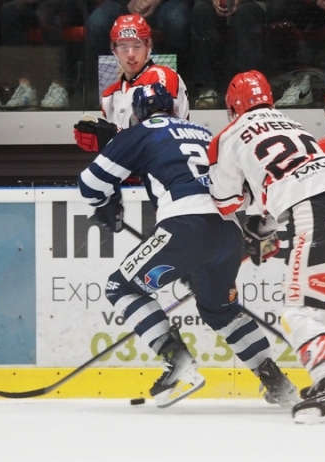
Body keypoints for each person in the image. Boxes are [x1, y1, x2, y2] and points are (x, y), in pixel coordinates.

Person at [78, 82, 298, 408]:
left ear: (137, 114)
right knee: (220, 310)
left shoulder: (140, 132)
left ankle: (175, 357)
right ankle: (278, 383)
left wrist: (108, 200)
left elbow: (90, 184)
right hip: (228, 232)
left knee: (120, 287)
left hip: (185, 226)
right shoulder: (204, 132)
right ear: (175, 107)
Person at [207, 70, 325, 423]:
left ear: (232, 107)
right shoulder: (292, 123)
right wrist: (263, 226)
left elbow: (224, 200)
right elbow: (289, 177)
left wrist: (250, 229)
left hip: (316, 210)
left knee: (298, 311)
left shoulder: (229, 134)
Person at [74, 14, 190, 154]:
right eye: (123, 47)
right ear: (114, 49)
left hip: (164, 170)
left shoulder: (162, 77)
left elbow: (161, 137)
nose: (130, 54)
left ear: (149, 46)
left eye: (137, 46)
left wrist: (114, 136)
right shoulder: (109, 96)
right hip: (129, 173)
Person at [0, 0, 83, 109]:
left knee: (47, 13)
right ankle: (25, 85)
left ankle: (59, 84)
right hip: (33, 1)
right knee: (9, 11)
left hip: (65, 0)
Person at [85, 0, 192, 102]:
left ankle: (175, 88)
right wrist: (129, 0)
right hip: (123, 1)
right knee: (97, 23)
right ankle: (109, 90)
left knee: (177, 22)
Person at [188, 0, 279, 110]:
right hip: (213, 1)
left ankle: (251, 88)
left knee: (245, 15)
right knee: (201, 11)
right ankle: (206, 89)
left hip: (251, 2)